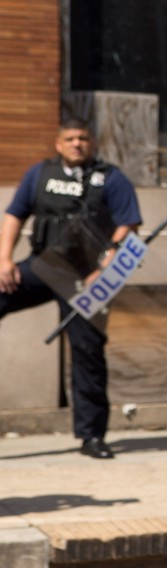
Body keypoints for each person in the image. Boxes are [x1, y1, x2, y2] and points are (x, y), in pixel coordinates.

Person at [0, 119, 142, 459]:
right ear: (58, 143)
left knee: (88, 350)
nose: (77, 143)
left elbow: (129, 224)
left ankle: (92, 436)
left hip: (85, 277)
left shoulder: (110, 177)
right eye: (70, 138)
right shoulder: (40, 174)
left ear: (91, 143)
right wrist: (5, 259)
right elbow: (15, 215)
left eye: (83, 138)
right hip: (44, 266)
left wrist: (104, 270)